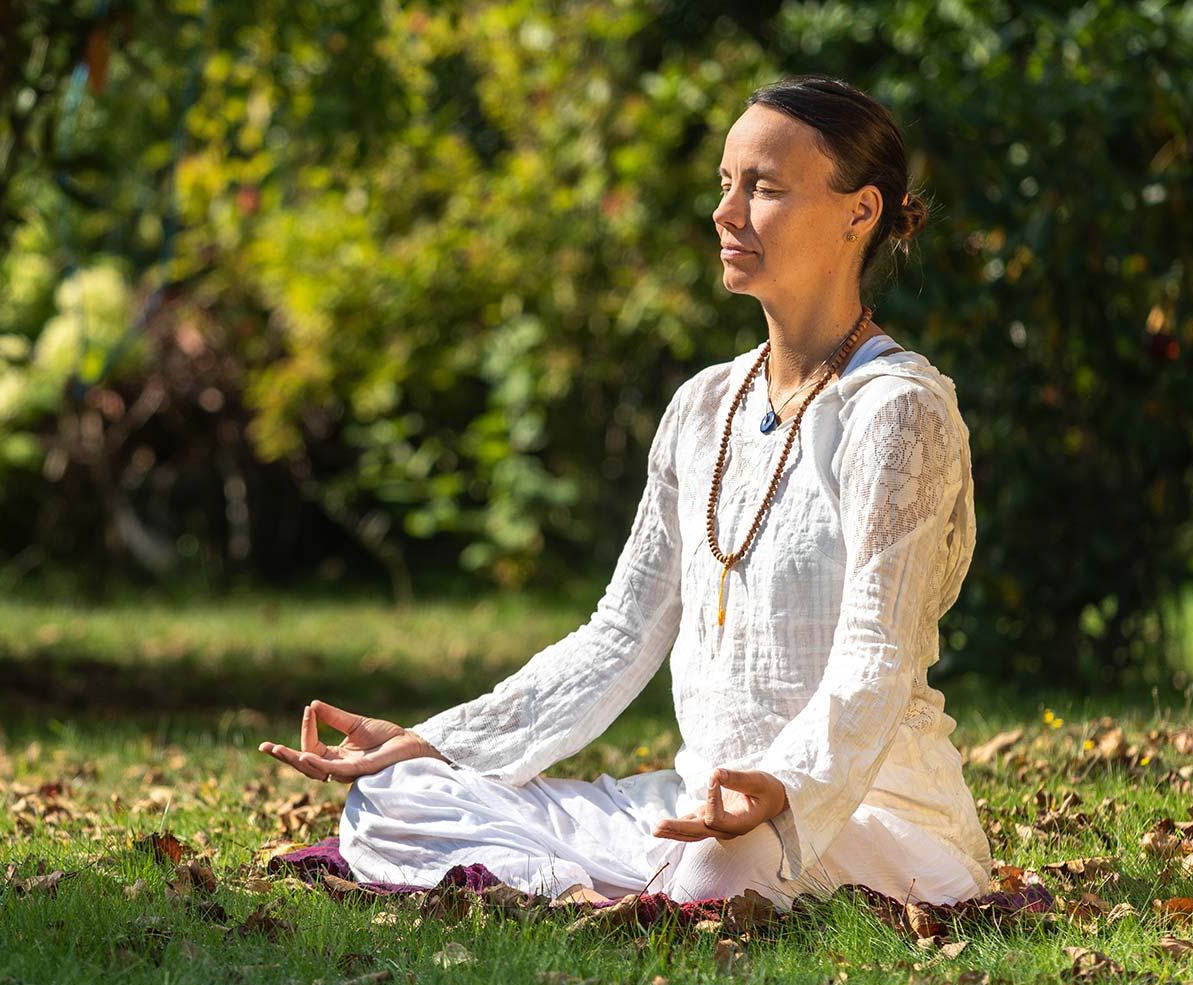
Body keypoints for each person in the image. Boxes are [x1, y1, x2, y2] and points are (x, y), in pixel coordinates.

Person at [257, 74, 992, 910]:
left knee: (724, 867)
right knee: (396, 799)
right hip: (698, 805)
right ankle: (593, 893)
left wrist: (783, 788)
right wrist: (437, 742)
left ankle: (613, 889)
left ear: (861, 212)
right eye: (725, 185)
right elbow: (617, 636)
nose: (726, 213)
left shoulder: (898, 411)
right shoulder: (704, 406)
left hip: (871, 815)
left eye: (764, 188)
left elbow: (878, 658)